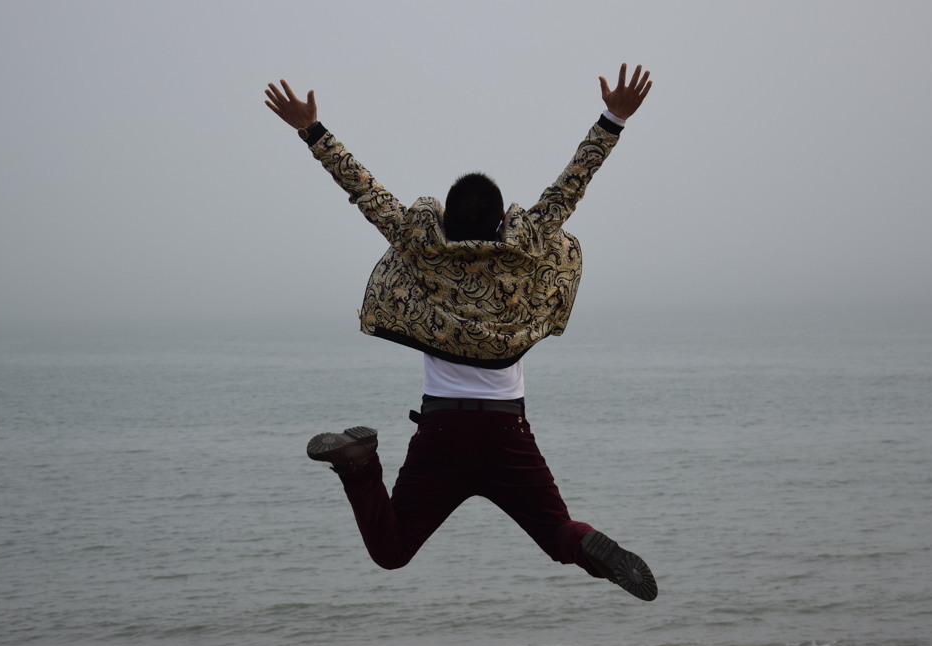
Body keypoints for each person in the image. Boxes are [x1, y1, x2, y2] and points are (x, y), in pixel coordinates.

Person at [265, 64, 658, 601]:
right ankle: (587, 543)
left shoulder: (423, 250)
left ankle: (359, 465)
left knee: (393, 549)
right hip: (506, 434)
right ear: (503, 221)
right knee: (556, 533)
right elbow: (573, 184)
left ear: (445, 217)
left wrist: (312, 130)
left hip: (442, 433)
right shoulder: (528, 248)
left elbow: (365, 192)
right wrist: (614, 117)